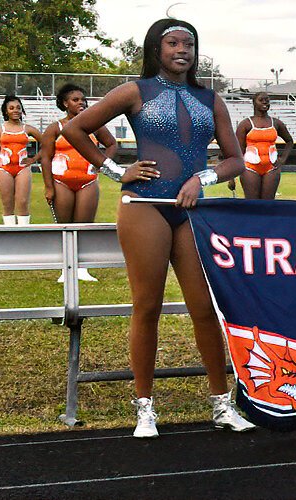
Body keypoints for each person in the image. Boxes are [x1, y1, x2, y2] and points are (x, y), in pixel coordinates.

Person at [61, 18, 254, 438]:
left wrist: (201, 179)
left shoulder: (211, 98)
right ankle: (145, 408)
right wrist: (115, 171)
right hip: (145, 206)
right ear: (156, 49)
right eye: (172, 43)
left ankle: (222, 404)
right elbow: (75, 128)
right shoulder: (135, 90)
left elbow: (235, 160)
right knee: (146, 306)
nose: (181, 49)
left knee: (204, 308)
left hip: (191, 210)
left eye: (189, 43)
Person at [40, 84, 117, 230]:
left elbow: (112, 144)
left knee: (84, 229)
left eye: (83, 99)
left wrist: (103, 165)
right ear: (65, 103)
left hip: (88, 182)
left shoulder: (95, 125)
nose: (81, 102)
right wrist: (49, 188)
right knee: (64, 229)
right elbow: (45, 158)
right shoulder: (55, 128)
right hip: (61, 183)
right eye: (75, 100)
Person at [0, 95, 41, 225]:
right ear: (6, 111)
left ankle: (24, 233)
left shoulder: (28, 129)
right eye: (11, 108)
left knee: (23, 201)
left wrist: (34, 159)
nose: (16, 110)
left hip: (22, 168)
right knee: (7, 203)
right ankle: (9, 234)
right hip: (3, 169)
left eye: (18, 107)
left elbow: (47, 144)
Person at [232, 92, 292, 200]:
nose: (265, 102)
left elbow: (289, 141)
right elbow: (237, 151)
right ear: (254, 102)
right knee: (252, 204)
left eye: (267, 100)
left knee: (268, 204)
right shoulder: (245, 124)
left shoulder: (276, 123)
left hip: (271, 167)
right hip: (249, 168)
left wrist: (282, 160)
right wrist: (232, 177)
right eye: (261, 100)